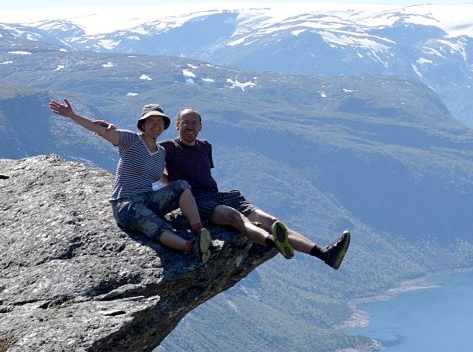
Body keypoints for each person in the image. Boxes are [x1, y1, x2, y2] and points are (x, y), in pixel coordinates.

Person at [160, 108, 350, 269]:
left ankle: (325, 255)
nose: (190, 127)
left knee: (271, 220)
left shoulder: (205, 147)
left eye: (194, 123)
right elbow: (148, 164)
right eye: (185, 122)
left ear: (200, 126)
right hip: (197, 201)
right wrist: (176, 187)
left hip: (216, 194)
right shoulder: (168, 148)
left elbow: (204, 174)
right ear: (177, 125)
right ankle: (276, 242)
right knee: (236, 218)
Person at [49, 99, 212, 262]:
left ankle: (199, 231)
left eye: (160, 121)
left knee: (181, 185)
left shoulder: (161, 152)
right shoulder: (131, 140)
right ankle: (191, 247)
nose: (157, 125)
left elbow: (162, 178)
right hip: (126, 204)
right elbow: (98, 130)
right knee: (155, 225)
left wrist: (187, 192)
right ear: (143, 125)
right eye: (152, 121)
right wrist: (72, 115)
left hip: (148, 199)